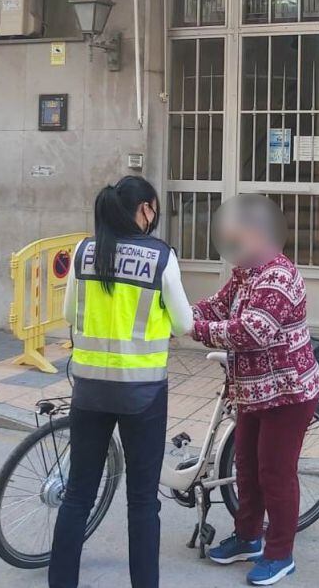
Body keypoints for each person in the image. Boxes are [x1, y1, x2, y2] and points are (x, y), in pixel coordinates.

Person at [49, 176, 193, 588]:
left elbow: (69, 314)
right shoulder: (161, 257)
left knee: (77, 496)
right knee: (143, 502)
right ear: (145, 209)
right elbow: (183, 324)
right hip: (142, 394)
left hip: (90, 391)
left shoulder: (84, 252)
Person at [193, 195, 319, 587]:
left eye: (238, 238)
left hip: (288, 393)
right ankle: (247, 536)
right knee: (245, 467)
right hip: (251, 391)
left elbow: (252, 331)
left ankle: (280, 554)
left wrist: (194, 330)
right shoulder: (245, 273)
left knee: (275, 473)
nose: (232, 247)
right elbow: (218, 307)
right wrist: (187, 311)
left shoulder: (280, 277)